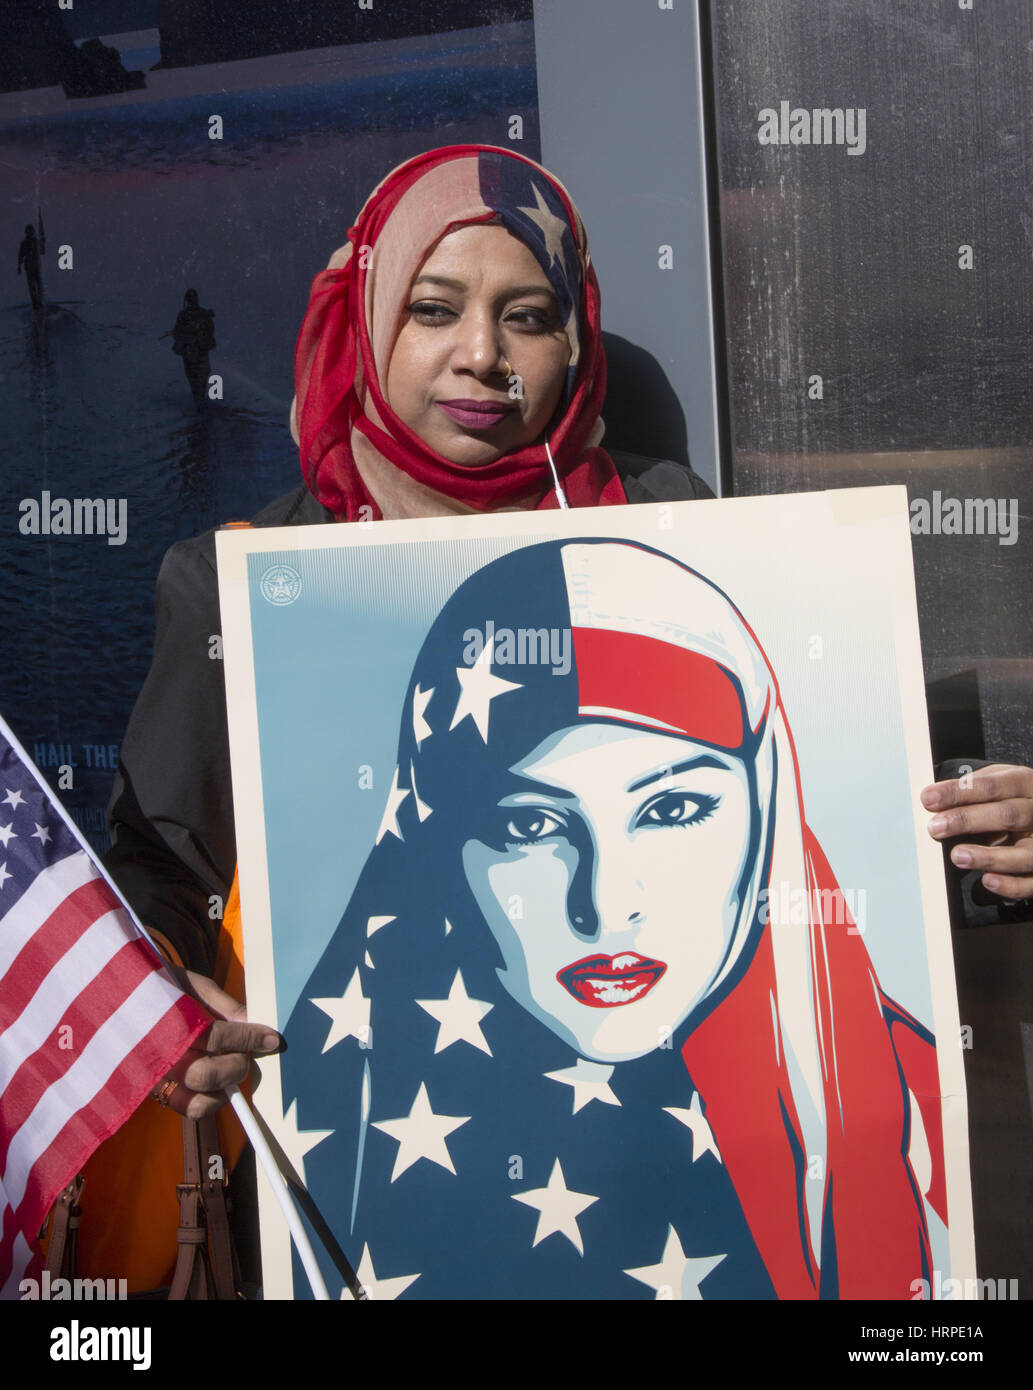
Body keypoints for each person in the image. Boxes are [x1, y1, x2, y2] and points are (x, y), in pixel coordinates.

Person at [102, 143, 1033, 1285]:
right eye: (433, 308)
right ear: (364, 318)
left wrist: (987, 849)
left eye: (527, 315)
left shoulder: (672, 525)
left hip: (684, 1202)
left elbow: (825, 821)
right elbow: (154, 870)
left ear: (575, 341)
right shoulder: (240, 581)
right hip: (368, 1210)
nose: (481, 355)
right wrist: (152, 994)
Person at [282, 537, 948, 1299]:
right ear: (435, 833)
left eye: (671, 810)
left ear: (766, 808)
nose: (604, 907)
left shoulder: (923, 1113)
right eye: (530, 827)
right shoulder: (329, 1116)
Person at [169, 288, 216, 408]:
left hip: (191, 349)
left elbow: (178, 331)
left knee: (193, 374)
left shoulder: (184, 315)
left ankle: (198, 398)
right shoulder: (202, 313)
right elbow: (210, 330)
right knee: (201, 373)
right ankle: (200, 397)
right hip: (200, 349)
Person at [17, 221, 44, 314]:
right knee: (33, 286)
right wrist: (19, 266)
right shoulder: (25, 243)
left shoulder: (36, 242)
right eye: (29, 232)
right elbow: (20, 255)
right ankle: (36, 304)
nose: (30, 233)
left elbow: (42, 251)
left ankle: (38, 303)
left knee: (37, 286)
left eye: (31, 232)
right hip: (30, 268)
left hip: (35, 268)